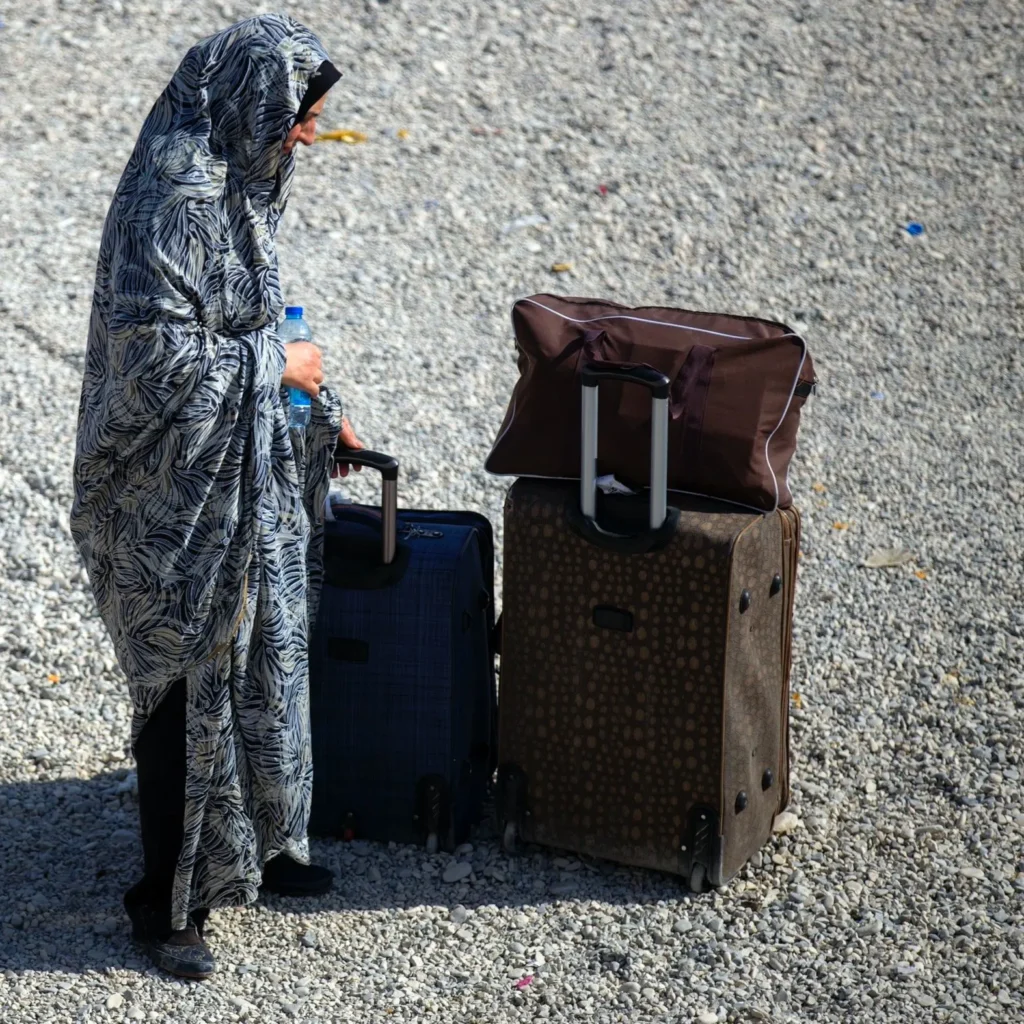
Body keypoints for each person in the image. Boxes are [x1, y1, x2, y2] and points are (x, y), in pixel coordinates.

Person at [70, 15, 363, 980]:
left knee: (260, 662)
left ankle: (256, 854)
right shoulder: (175, 199)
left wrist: (323, 404)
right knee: (188, 680)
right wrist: (286, 361)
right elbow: (156, 363)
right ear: (256, 103)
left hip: (238, 471)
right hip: (167, 497)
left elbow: (252, 317)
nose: (310, 136)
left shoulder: (241, 180)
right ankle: (167, 905)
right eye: (301, 117)